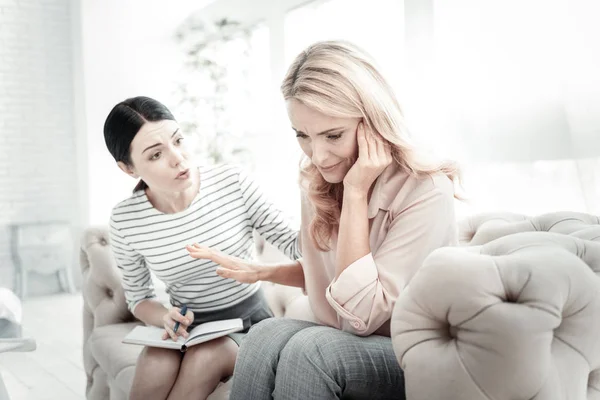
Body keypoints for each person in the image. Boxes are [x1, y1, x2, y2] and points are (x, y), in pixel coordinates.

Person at [186, 40, 460, 399]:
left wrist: (357, 193)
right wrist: (263, 271)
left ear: (374, 124)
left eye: (333, 135)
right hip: (340, 341)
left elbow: (361, 315)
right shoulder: (320, 181)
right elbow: (330, 279)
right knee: (264, 335)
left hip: (414, 355)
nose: (318, 155)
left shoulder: (426, 192)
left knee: (312, 349)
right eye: (303, 136)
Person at [103, 96, 301, 400]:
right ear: (128, 168)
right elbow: (139, 298)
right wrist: (164, 317)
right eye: (156, 155)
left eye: (178, 140)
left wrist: (322, 200)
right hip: (186, 328)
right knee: (155, 363)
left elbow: (295, 244)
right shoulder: (126, 219)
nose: (178, 159)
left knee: (205, 358)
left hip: (249, 323)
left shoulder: (232, 182)